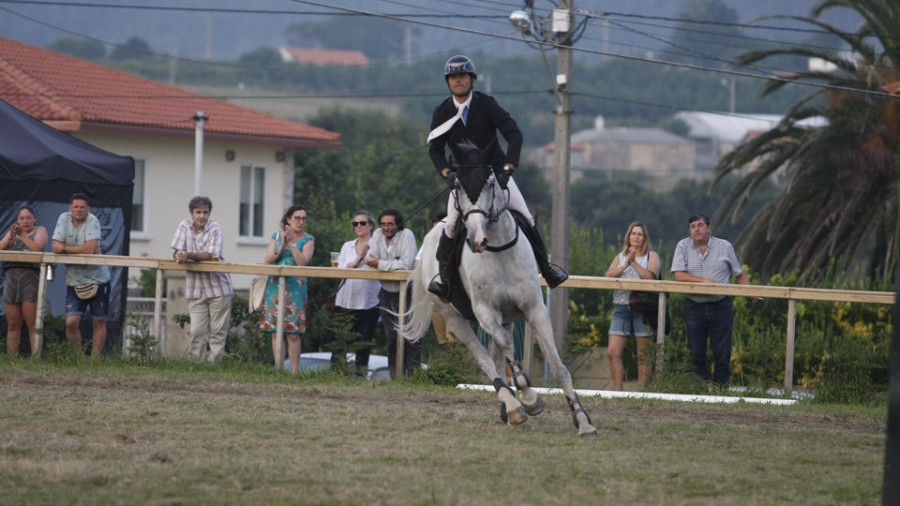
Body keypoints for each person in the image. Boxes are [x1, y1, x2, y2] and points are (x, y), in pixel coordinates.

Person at [426, 54, 567, 300]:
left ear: (472, 79)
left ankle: (547, 268)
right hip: (463, 179)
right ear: (448, 82)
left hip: (494, 174)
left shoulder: (487, 104)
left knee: (525, 215)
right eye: (453, 77)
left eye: (462, 76)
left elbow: (514, 134)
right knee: (450, 225)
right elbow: (435, 149)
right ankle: (443, 279)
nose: (458, 81)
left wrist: (508, 167)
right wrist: (446, 173)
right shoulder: (442, 111)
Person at [671, 212, 753, 387]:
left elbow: (739, 274)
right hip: (694, 306)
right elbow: (679, 275)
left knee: (722, 353)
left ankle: (721, 392)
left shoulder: (724, 246)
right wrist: (703, 281)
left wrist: (750, 291)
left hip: (721, 305)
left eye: (700, 225)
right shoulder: (682, 246)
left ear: (709, 228)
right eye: (692, 227)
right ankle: (700, 391)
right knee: (696, 353)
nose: (696, 230)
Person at [171, 196, 233, 364]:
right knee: (197, 331)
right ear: (192, 213)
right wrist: (179, 255)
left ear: (209, 214)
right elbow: (177, 250)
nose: (201, 216)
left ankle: (215, 366)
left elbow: (212, 256)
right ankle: (197, 366)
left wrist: (188, 255)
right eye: (198, 212)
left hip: (218, 287)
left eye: (205, 212)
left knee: (217, 332)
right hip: (195, 288)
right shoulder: (184, 225)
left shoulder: (216, 228)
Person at [51, 193, 111, 356]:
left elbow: (90, 248)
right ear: (70, 208)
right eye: (76, 207)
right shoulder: (63, 218)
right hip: (74, 280)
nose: (79, 210)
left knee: (98, 321)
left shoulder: (93, 220)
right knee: (71, 322)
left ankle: (94, 360)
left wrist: (65, 249)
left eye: (82, 207)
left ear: (88, 209)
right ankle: (77, 358)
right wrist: (78, 249)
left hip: (99, 279)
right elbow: (55, 247)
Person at [605, 221, 660, 390]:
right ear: (628, 237)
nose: (636, 236)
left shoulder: (652, 256)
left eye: (639, 234)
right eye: (633, 233)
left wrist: (634, 262)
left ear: (644, 238)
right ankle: (618, 392)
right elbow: (608, 276)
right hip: (621, 308)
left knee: (644, 355)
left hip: (643, 309)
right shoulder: (620, 256)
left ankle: (643, 392)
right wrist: (626, 264)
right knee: (612, 352)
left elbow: (651, 277)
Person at [260, 205, 315, 374]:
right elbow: (269, 259)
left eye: (304, 218)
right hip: (275, 286)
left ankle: (295, 372)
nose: (301, 222)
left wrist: (292, 244)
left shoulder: (308, 239)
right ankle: (279, 370)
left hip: (295, 288)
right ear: (288, 220)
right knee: (276, 331)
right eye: (297, 218)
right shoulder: (277, 236)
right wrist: (282, 243)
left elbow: (302, 262)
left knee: (293, 332)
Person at [366, 208, 419, 378]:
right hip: (387, 292)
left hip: (409, 291)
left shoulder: (407, 235)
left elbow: (407, 264)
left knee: (412, 336)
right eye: (383, 224)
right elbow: (369, 259)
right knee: (392, 336)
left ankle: (414, 376)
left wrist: (381, 264)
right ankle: (395, 376)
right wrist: (386, 264)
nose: (386, 228)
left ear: (398, 225)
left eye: (390, 224)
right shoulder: (377, 235)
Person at [333, 210, 381, 374]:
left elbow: (381, 265)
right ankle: (336, 373)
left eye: (362, 223)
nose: (358, 226)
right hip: (346, 299)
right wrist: (359, 259)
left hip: (370, 300)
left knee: (364, 341)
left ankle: (360, 374)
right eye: (355, 224)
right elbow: (339, 268)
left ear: (371, 226)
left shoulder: (378, 245)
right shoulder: (347, 245)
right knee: (340, 339)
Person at [1, 206, 48, 356]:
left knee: (32, 324)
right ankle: (11, 357)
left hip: (30, 279)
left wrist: (23, 236)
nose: (25, 221)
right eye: (22, 219)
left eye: (28, 218)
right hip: (11, 277)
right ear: (18, 220)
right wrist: (10, 236)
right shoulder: (13, 232)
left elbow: (37, 249)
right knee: (13, 324)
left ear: (34, 218)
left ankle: (35, 357)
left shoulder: (40, 231)